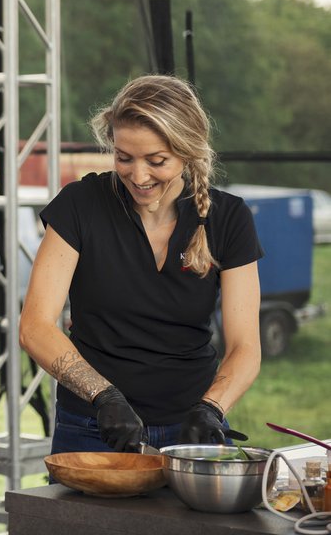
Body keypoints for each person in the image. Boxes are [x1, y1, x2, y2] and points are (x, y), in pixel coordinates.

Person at [19, 74, 263, 455]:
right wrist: (104, 397)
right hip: (92, 426)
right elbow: (34, 327)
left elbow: (246, 346)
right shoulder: (81, 204)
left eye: (157, 160)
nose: (138, 175)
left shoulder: (228, 217)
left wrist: (212, 407)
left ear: (188, 151)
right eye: (124, 157)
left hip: (192, 428)